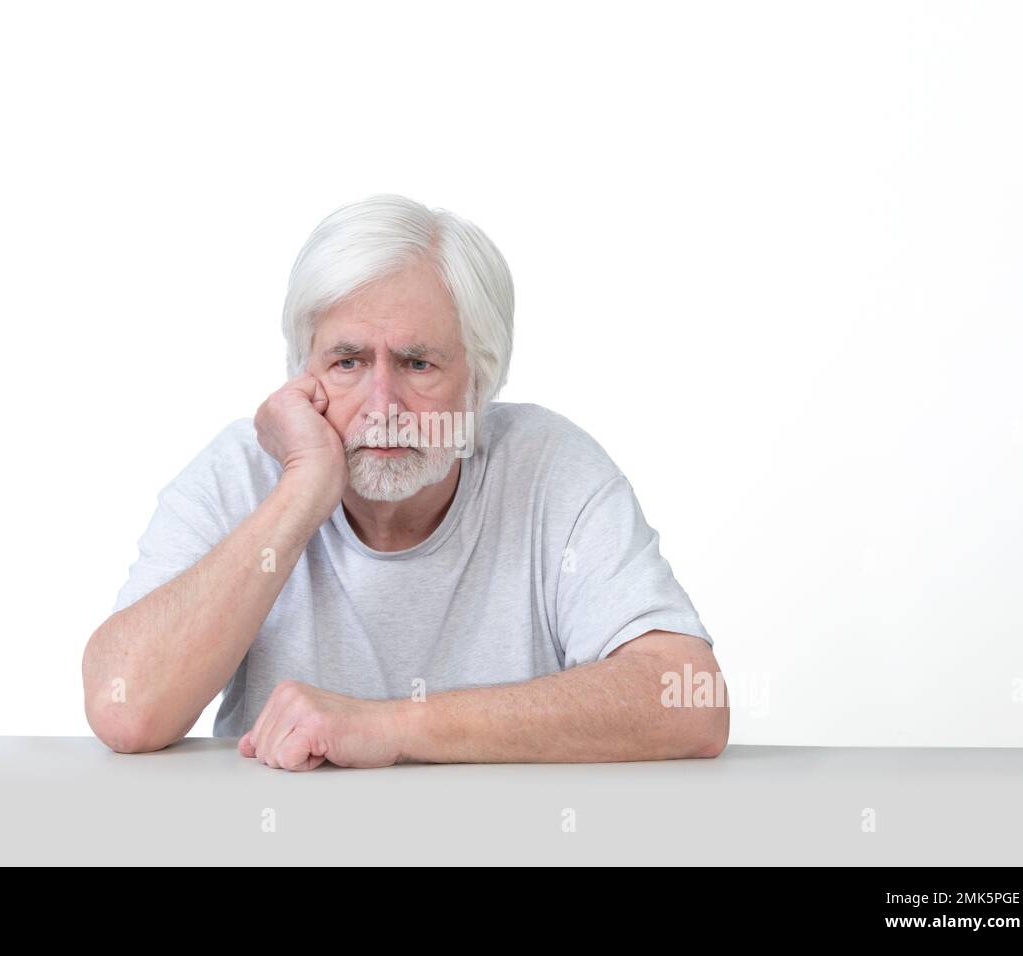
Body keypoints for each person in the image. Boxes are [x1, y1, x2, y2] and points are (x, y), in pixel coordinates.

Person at [82, 193, 728, 770]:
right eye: (347, 361)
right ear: (301, 371)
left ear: (481, 378)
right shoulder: (242, 470)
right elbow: (127, 710)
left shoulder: (551, 467)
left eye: (418, 363)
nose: (382, 403)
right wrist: (304, 488)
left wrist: (392, 726)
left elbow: (688, 700)